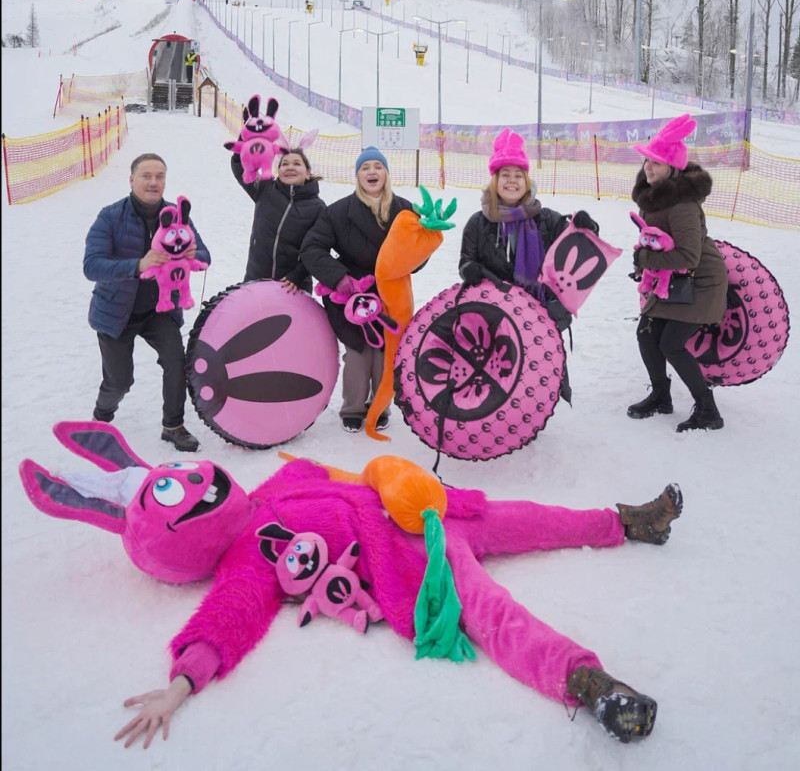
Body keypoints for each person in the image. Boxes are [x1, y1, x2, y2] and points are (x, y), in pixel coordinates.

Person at [104, 447, 683, 749]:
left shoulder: (270, 491)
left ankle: (630, 522)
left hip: (435, 509)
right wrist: (181, 684)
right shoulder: (244, 563)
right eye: (182, 493)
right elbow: (228, 618)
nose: (199, 478)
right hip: (419, 559)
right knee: (493, 615)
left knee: (535, 518)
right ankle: (590, 683)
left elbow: (321, 470)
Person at [458, 128, 599, 399]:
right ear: (495, 180)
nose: (512, 181)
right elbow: (466, 261)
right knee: (498, 372)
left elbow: (578, 246)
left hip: (538, 312)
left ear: (527, 180)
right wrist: (470, 270)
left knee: (534, 373)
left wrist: (587, 226)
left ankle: (530, 413)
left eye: (518, 175)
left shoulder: (546, 219)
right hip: (494, 312)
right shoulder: (478, 222)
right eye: (505, 175)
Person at [83, 153, 211, 451]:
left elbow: (204, 255)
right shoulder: (110, 216)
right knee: (120, 382)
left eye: (160, 176)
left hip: (161, 309)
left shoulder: (178, 215)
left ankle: (173, 425)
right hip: (116, 311)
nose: (154, 182)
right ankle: (102, 417)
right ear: (132, 180)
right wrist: (137, 266)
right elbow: (92, 265)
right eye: (146, 176)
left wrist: (195, 257)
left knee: (177, 362)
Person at [300, 147, 417, 433]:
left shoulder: (404, 210)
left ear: (386, 173)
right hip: (351, 292)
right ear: (358, 175)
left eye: (378, 166)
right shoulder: (338, 211)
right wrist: (339, 278)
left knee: (384, 349)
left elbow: (417, 250)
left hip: (390, 290)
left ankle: (380, 406)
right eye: (366, 168)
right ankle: (352, 408)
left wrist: (405, 265)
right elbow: (312, 248)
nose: (372, 172)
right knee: (357, 348)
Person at [627, 114, 728, 432]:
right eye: (647, 161)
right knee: (646, 334)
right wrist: (644, 258)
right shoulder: (654, 197)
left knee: (671, 343)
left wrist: (644, 258)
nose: (648, 168)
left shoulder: (683, 204)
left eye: (655, 163)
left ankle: (708, 411)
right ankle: (660, 396)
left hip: (700, 282)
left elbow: (688, 254)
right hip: (674, 280)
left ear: (673, 167)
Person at [230, 137, 325, 292]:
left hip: (293, 287)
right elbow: (241, 168)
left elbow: (318, 249)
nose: (290, 167)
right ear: (278, 171)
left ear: (308, 173)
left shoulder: (318, 208)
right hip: (256, 280)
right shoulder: (265, 190)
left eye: (297, 163)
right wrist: (243, 145)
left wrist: (298, 275)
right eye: (284, 164)